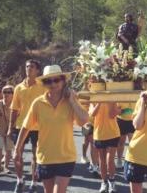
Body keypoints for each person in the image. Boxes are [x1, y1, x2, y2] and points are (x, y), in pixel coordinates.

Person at [13, 65, 88, 193]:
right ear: (43, 84)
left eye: (56, 80)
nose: (53, 84)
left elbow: (83, 121)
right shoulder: (38, 103)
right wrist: (17, 149)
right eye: (48, 81)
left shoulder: (71, 101)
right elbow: (26, 127)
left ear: (63, 80)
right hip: (45, 158)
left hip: (66, 157)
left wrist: (72, 100)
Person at [8, 59, 47, 193]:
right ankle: (20, 180)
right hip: (21, 126)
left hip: (38, 127)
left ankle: (34, 182)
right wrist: (9, 127)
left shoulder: (43, 86)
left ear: (37, 70)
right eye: (27, 66)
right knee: (17, 154)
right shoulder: (18, 87)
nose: (29, 69)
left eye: (32, 67)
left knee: (36, 156)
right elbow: (14, 109)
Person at [90, 102, 121, 193]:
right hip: (99, 134)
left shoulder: (113, 100)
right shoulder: (94, 100)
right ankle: (104, 182)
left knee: (109, 160)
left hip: (113, 133)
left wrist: (111, 102)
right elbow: (92, 114)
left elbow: (112, 115)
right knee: (102, 160)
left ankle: (112, 181)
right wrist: (99, 102)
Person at [0, 85, 15, 176]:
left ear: (13, 94)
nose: (6, 94)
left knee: (8, 150)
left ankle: (6, 167)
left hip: (10, 130)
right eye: (4, 92)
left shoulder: (16, 104)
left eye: (9, 92)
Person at [80, 103, 100, 177]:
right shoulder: (88, 97)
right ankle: (84, 156)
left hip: (98, 124)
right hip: (88, 122)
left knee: (93, 144)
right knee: (87, 142)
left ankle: (93, 164)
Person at [115, 102, 136, 169]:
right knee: (121, 142)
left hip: (133, 121)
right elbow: (116, 111)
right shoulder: (121, 94)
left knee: (133, 143)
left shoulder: (137, 92)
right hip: (121, 120)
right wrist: (123, 111)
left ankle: (132, 162)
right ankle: (119, 160)